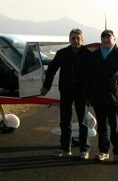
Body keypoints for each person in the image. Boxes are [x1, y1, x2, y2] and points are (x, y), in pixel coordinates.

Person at [40, 29, 90, 159]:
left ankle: (84, 150)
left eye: (78, 38)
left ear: (82, 40)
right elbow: (51, 70)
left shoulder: (88, 54)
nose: (75, 40)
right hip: (66, 91)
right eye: (73, 38)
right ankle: (65, 148)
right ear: (69, 40)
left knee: (83, 121)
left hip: (82, 92)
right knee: (65, 121)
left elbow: (96, 72)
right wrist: (46, 87)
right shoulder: (62, 53)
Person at [88, 29, 118, 164]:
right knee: (102, 126)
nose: (106, 40)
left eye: (109, 37)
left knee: (115, 127)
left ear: (114, 39)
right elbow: (89, 75)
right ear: (100, 39)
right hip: (98, 97)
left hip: (114, 96)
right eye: (103, 38)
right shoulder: (94, 55)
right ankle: (103, 151)